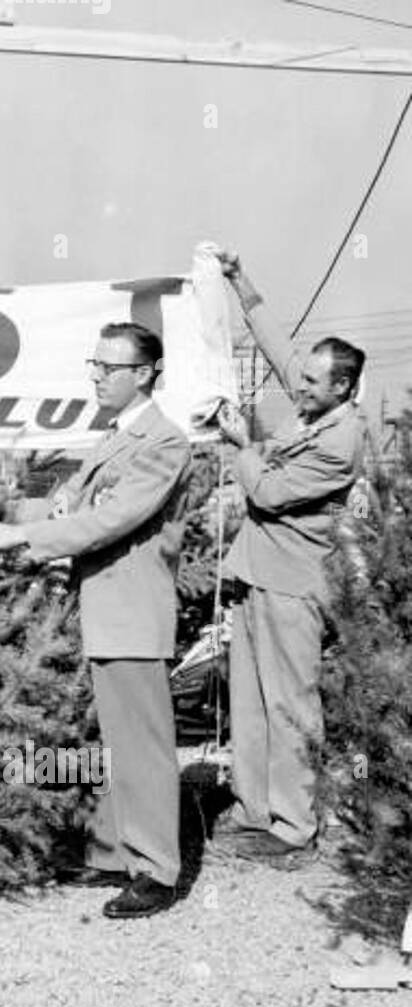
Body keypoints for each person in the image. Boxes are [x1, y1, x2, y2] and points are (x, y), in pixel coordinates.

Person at [0, 322, 192, 919]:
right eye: (92, 364)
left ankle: (156, 871)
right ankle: (115, 852)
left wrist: (24, 535)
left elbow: (109, 520)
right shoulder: (114, 437)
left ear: (144, 373)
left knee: (142, 746)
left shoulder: (163, 443)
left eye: (108, 368)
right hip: (104, 607)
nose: (95, 375)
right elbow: (69, 502)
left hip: (132, 611)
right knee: (115, 741)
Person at [214, 250, 366, 863]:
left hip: (294, 586)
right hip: (256, 574)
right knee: (250, 699)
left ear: (343, 388)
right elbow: (279, 348)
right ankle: (255, 811)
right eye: (300, 379)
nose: (298, 386)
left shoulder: (342, 439)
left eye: (311, 382)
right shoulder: (315, 404)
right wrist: (237, 279)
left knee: (290, 704)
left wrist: (244, 444)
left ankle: (295, 827)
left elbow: (267, 491)